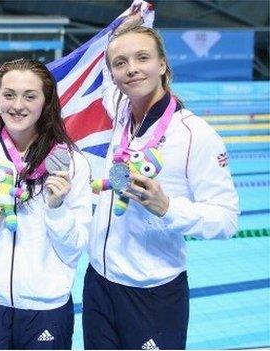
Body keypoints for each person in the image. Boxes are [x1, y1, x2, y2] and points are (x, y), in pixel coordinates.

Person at [82, 24, 239, 350]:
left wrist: (168, 208)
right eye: (121, 62)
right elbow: (105, 77)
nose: (132, 69)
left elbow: (226, 219)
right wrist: (125, 24)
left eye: (143, 57)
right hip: (98, 282)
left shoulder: (196, 135)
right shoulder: (120, 112)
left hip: (152, 293)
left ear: (163, 64)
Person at [0, 58, 92, 349]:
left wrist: (57, 210)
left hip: (46, 307)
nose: (17, 105)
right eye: (9, 94)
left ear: (46, 102)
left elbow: (76, 247)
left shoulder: (70, 161)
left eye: (30, 96)